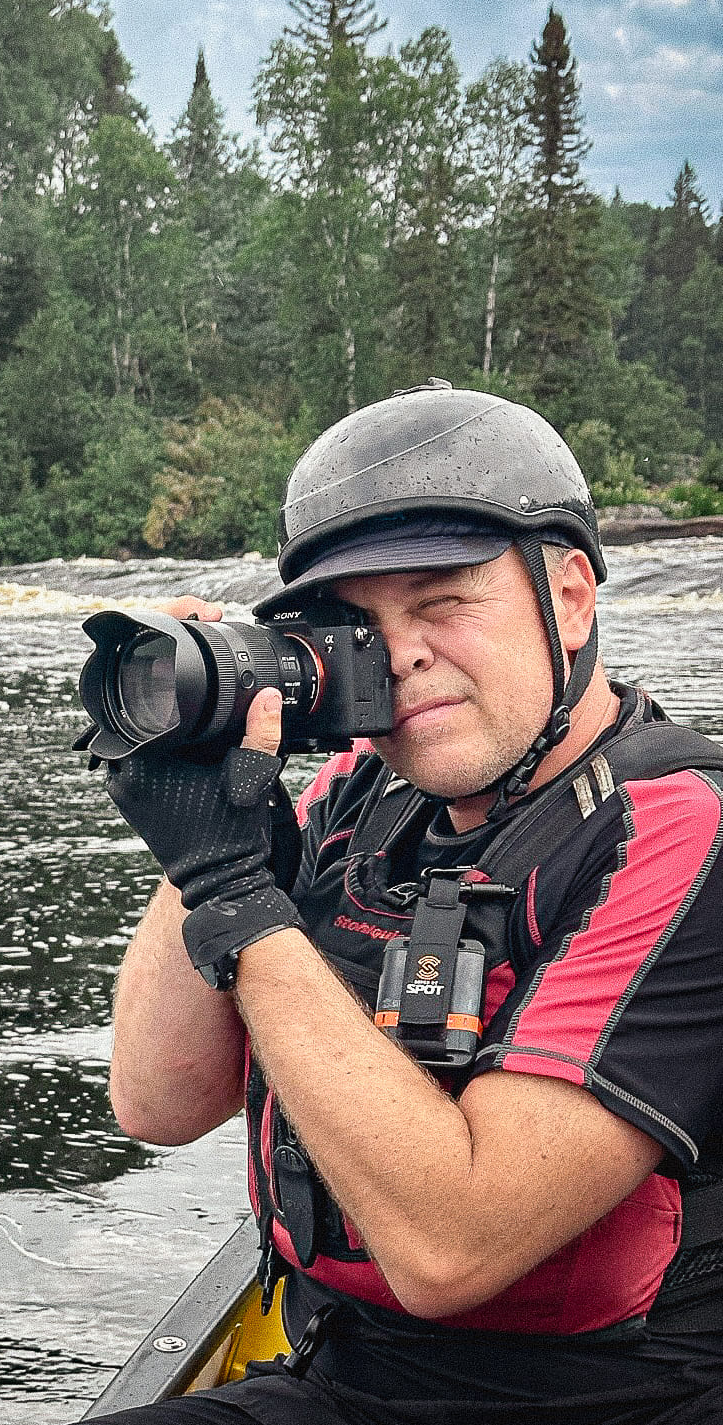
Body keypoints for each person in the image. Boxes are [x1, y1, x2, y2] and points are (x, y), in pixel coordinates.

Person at [94, 381, 723, 1425]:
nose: (403, 654)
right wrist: (204, 828)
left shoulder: (680, 835)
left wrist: (239, 898)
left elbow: (450, 1245)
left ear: (569, 595)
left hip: (606, 1404)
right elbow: (160, 1101)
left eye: (440, 601)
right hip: (341, 1375)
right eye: (360, 624)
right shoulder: (363, 793)